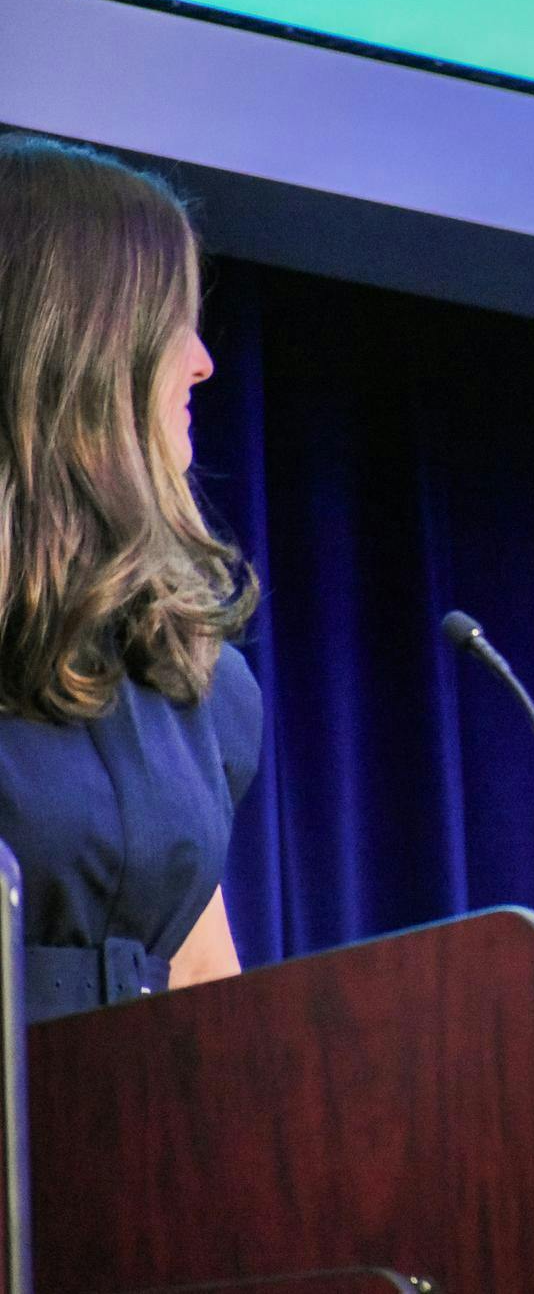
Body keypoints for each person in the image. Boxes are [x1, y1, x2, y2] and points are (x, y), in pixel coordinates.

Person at [0, 133, 261, 1022]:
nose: (203, 361)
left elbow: (204, 987)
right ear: (83, 344)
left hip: (146, 1147)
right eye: (171, 322)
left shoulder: (193, 682)